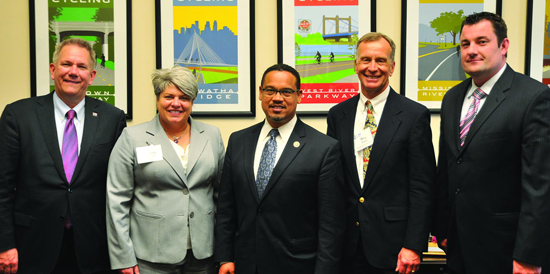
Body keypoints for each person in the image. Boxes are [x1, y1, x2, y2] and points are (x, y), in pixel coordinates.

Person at [432, 12, 550, 274]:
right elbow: (448, 168)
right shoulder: (452, 98)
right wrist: (443, 229)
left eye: (482, 41)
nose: (471, 51)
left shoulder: (534, 97)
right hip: (457, 246)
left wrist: (529, 255)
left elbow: (540, 185)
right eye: (465, 44)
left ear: (503, 46)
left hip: (507, 253)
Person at [0, 38, 126, 274]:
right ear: (53, 69)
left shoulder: (112, 119)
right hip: (31, 245)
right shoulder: (18, 115)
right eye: (67, 64)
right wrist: (4, 244)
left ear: (92, 75)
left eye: (81, 67)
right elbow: (2, 187)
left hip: (93, 247)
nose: (73, 72)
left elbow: (121, 186)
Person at [215, 64, 345, 274]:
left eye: (286, 92)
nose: (277, 98)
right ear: (260, 93)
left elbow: (331, 224)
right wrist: (224, 258)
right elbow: (226, 209)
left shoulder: (323, 148)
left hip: (297, 265)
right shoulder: (238, 141)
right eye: (270, 90)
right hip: (245, 263)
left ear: (299, 95)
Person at [327, 32, 436, 274]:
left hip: (394, 249)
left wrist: (414, 245)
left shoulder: (413, 115)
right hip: (346, 246)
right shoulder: (338, 115)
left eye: (381, 60)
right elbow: (333, 182)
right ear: (356, 65)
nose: (372, 68)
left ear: (392, 66)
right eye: (365, 60)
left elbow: (422, 186)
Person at [106, 66, 225, 274]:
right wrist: (123, 257)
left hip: (202, 255)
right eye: (169, 96)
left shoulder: (212, 136)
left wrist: (225, 252)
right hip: (151, 256)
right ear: (157, 99)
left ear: (192, 102)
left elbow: (223, 197)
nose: (176, 104)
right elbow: (116, 201)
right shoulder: (132, 137)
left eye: (184, 97)